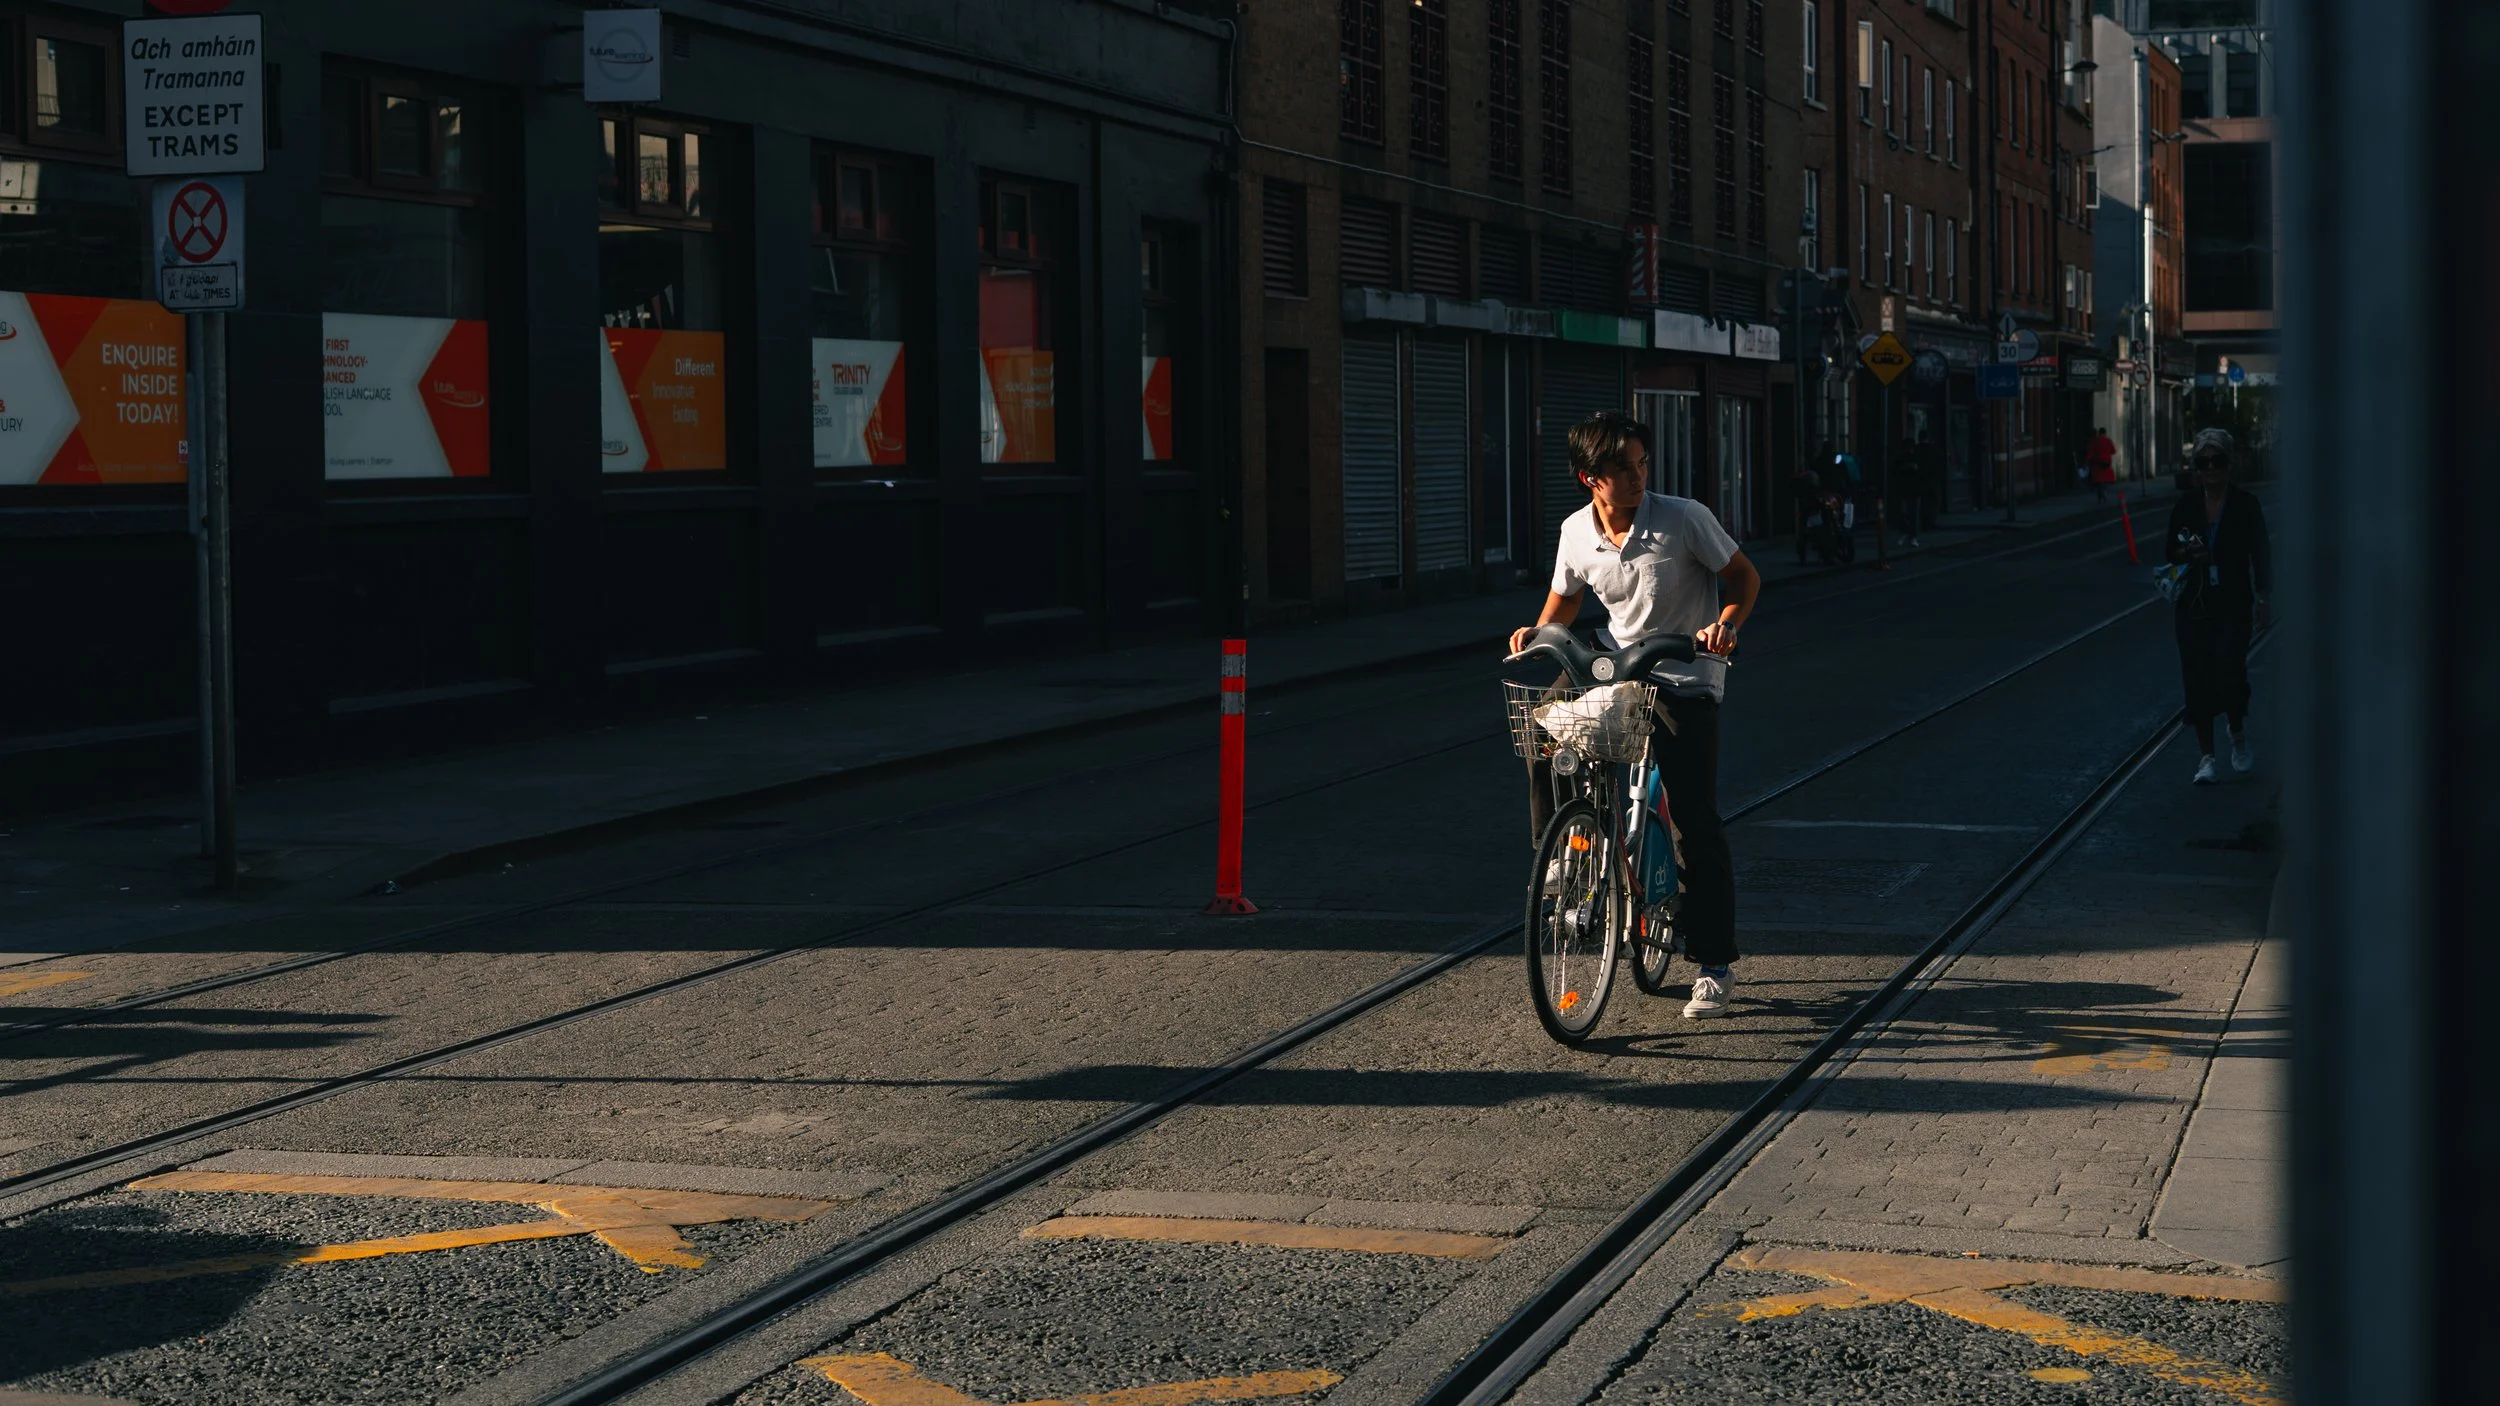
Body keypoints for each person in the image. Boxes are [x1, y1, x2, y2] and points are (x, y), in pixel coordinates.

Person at [1508, 411, 1762, 1018]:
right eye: (1622, 466)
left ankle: (1713, 962)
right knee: (1544, 726)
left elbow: (1744, 578)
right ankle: (1558, 852)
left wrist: (1725, 626)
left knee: (1693, 820)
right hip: (1620, 670)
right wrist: (1537, 632)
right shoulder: (1576, 532)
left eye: (1641, 462)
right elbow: (1564, 602)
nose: (1637, 474)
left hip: (1686, 675)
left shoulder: (1683, 518)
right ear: (1588, 478)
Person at [2165, 427, 2272, 785]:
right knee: (2196, 678)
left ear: (2229, 465)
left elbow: (2261, 553)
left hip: (2234, 603)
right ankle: (2206, 758)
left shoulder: (2245, 505)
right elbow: (2170, 550)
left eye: (2218, 461)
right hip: (2194, 605)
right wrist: (2187, 553)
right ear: (2196, 466)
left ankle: (2237, 731)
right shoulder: (2187, 506)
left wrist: (2263, 597)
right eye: (2203, 462)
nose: (2210, 468)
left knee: (2230, 671)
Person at [2087, 426, 2119, 502]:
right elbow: (2113, 451)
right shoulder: (2108, 441)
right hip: (2106, 463)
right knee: (2104, 480)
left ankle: (2100, 495)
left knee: (2098, 480)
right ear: (2105, 433)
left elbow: (2090, 453)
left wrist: (2086, 462)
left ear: (2099, 433)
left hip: (2097, 463)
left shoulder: (2095, 441)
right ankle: (2103, 493)